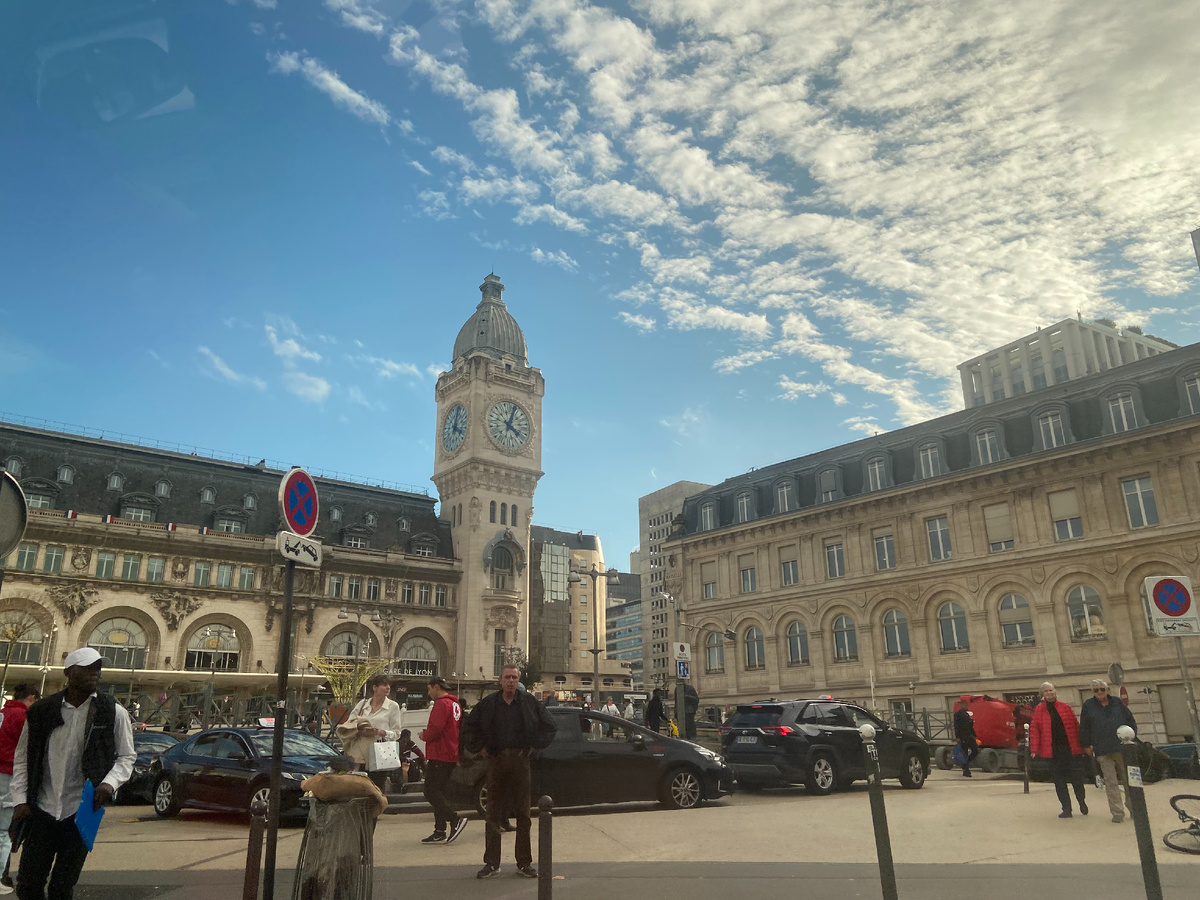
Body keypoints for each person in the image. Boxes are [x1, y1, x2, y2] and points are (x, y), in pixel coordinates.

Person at [10, 648, 136, 900]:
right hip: (42, 809)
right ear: (68, 672)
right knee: (28, 884)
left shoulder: (112, 711)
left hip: (82, 811)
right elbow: (23, 758)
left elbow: (127, 756)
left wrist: (108, 785)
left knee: (62, 887)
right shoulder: (42, 710)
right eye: (87, 668)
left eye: (97, 669)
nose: (94, 674)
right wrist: (20, 800)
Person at [461, 665, 557, 879]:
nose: (511, 681)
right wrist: (481, 748)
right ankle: (491, 863)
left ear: (518, 679)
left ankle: (524, 863)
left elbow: (550, 726)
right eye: (507, 677)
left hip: (521, 761)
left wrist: (535, 744)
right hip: (496, 760)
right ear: (500, 680)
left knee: (523, 813)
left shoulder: (529, 703)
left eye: (514, 677)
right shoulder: (488, 704)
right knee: (493, 812)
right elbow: (469, 727)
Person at [1079, 678, 1137, 823]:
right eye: (1096, 690)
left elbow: (1130, 720)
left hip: (1121, 748)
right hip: (1102, 749)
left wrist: (1132, 736)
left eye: (1102, 689)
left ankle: (1134, 808)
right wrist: (1086, 745)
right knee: (1110, 782)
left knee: (1128, 780)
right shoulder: (1088, 705)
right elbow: (1084, 726)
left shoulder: (1117, 702)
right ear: (1093, 692)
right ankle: (1117, 813)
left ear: (1107, 690)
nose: (1099, 692)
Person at [417, 676, 466, 845]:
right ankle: (439, 830)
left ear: (435, 687)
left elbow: (436, 728)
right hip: (451, 752)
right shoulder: (455, 704)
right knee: (440, 791)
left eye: (429, 689)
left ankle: (454, 819)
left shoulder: (441, 704)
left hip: (440, 752)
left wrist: (425, 735)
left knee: (430, 791)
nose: (429, 693)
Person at [0, 685, 39, 895]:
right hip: (8, 773)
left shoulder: (3, 713)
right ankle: (1, 876)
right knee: (4, 831)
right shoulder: (23, 717)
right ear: (32, 698)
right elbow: (29, 748)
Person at [1029, 681, 1088, 818]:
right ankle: (1066, 808)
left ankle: (1081, 800)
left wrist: (1083, 745)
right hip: (1053, 751)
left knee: (1077, 778)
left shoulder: (1065, 707)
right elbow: (1034, 730)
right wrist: (1034, 749)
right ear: (1042, 694)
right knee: (1059, 781)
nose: (1049, 693)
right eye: (1046, 691)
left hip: (1070, 749)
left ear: (1055, 692)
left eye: (1051, 690)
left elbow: (1076, 726)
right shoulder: (1039, 710)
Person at [346, 673, 404, 792]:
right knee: (359, 786)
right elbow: (349, 723)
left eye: (389, 685)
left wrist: (383, 732)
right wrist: (361, 728)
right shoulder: (363, 704)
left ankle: (376, 810)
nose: (388, 687)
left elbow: (397, 732)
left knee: (375, 788)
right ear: (374, 687)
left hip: (379, 752)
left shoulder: (393, 706)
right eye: (384, 684)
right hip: (360, 751)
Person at [953, 696, 979, 777]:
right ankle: (966, 770)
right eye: (966, 705)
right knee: (964, 752)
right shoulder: (958, 714)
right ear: (962, 705)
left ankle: (966, 763)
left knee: (975, 751)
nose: (967, 707)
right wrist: (957, 737)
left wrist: (974, 735)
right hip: (962, 736)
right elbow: (956, 726)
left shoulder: (966, 714)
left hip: (969, 735)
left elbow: (970, 726)